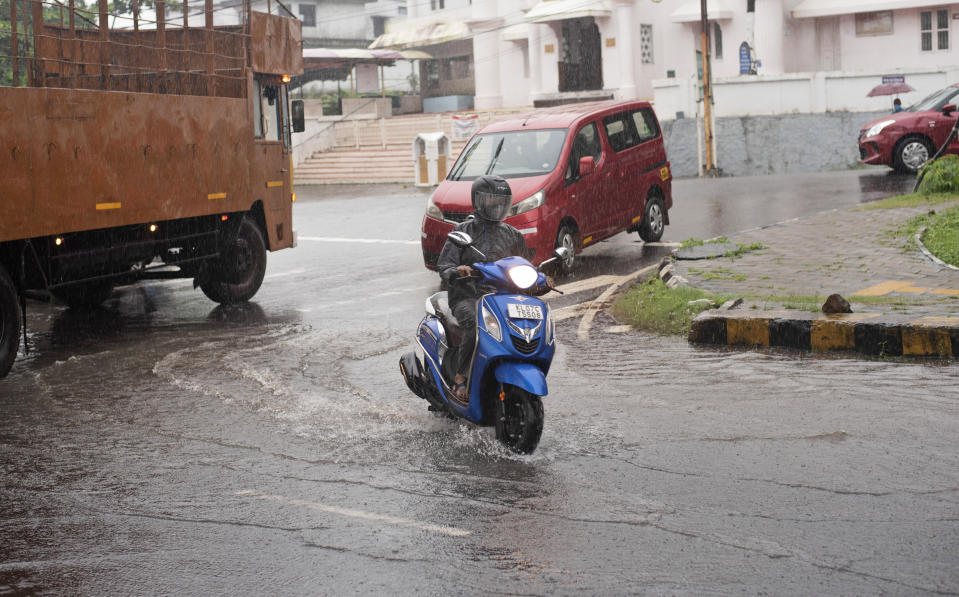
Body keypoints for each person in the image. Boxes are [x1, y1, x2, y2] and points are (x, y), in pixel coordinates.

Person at [436, 175, 531, 400]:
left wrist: (540, 277)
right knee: (475, 325)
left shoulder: (512, 234)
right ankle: (461, 376)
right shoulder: (463, 230)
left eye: (501, 201)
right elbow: (444, 264)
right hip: (467, 296)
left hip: (502, 297)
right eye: (491, 200)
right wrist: (457, 270)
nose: (497, 205)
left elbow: (525, 264)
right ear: (478, 201)